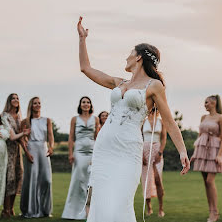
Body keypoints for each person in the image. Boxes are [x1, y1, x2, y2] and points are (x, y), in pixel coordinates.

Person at [77, 16, 190, 222]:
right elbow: (86, 68)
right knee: (101, 202)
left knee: (119, 204)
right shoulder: (118, 82)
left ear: (138, 58)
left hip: (128, 150)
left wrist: (182, 150)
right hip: (104, 146)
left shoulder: (154, 86)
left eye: (130, 53)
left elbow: (169, 122)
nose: (126, 57)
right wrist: (82, 39)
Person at [190, 95, 222, 222]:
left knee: (210, 181)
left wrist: (220, 155)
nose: (205, 105)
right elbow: (200, 136)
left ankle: (215, 212)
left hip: (214, 150)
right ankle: (210, 210)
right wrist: (195, 153)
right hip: (202, 150)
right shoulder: (203, 117)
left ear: (213, 103)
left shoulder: (221, 118)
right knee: (206, 182)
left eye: (206, 103)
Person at [62, 96, 99, 220]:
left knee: (91, 181)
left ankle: (90, 210)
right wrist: (70, 154)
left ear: (90, 105)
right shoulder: (75, 119)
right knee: (77, 181)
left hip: (92, 152)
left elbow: (97, 138)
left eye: (88, 102)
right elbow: (71, 137)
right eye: (83, 102)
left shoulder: (96, 119)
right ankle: (73, 212)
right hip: (79, 153)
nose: (86, 104)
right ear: (80, 104)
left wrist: (98, 154)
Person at [20, 97, 54, 218]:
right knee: (32, 180)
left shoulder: (47, 120)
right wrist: (26, 152)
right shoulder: (25, 121)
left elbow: (50, 135)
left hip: (43, 149)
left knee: (47, 180)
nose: (38, 105)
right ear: (31, 106)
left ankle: (45, 210)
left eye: (39, 103)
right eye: (35, 103)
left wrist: (51, 147)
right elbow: (21, 138)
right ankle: (30, 210)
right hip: (31, 149)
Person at [1, 93, 26, 218]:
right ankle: (5, 209)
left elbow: (21, 137)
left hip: (17, 151)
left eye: (17, 98)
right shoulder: (4, 116)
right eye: (13, 98)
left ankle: (11, 208)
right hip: (7, 151)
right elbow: (11, 136)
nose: (16, 100)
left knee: (17, 178)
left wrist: (27, 150)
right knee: (8, 179)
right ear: (9, 101)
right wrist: (24, 134)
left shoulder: (19, 117)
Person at [141, 107, 167, 217]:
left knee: (158, 180)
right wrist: (141, 153)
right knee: (146, 180)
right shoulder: (143, 121)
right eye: (152, 109)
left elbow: (164, 138)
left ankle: (161, 208)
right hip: (144, 150)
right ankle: (149, 207)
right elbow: (138, 137)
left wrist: (160, 153)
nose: (154, 111)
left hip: (157, 150)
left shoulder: (161, 122)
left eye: (156, 109)